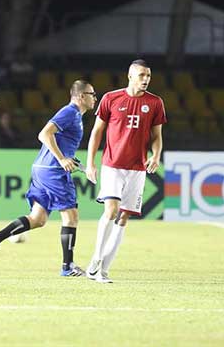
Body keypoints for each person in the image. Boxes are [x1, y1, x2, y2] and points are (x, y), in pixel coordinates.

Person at [0, 80, 98, 277]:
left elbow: (61, 143)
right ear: (80, 96)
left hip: (42, 169)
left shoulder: (76, 116)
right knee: (71, 216)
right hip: (53, 171)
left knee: (38, 219)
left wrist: (77, 164)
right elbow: (44, 134)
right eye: (92, 94)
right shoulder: (70, 111)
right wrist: (61, 160)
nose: (95, 97)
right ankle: (67, 266)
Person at [84, 59, 166, 283]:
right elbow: (96, 132)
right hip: (112, 165)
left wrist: (156, 155)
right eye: (141, 75)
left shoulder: (155, 103)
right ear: (130, 76)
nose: (146, 80)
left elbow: (157, 136)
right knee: (111, 210)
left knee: (124, 217)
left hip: (137, 168)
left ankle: (104, 270)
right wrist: (91, 162)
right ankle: (95, 261)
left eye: (148, 76)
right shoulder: (111, 98)